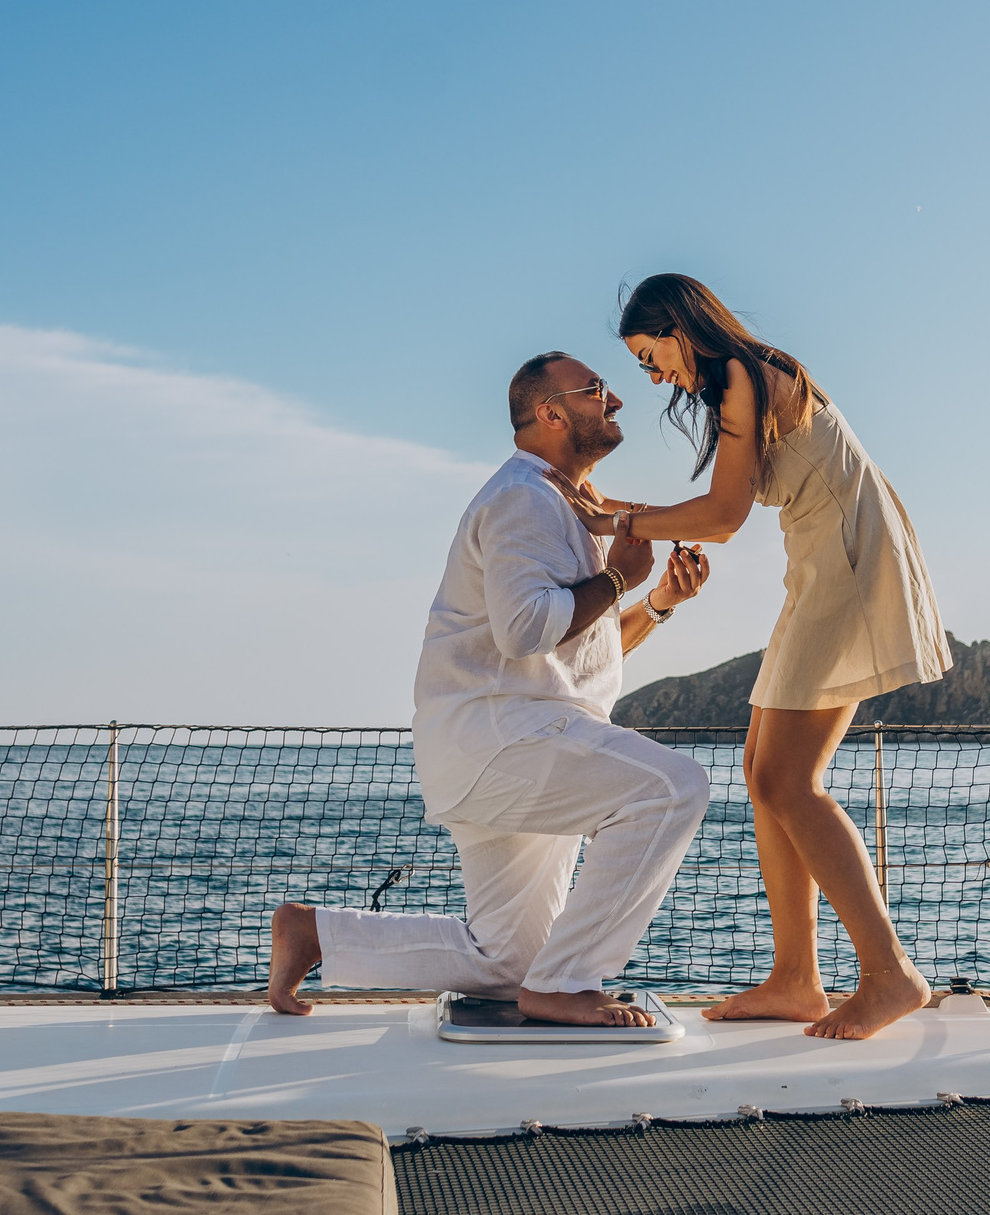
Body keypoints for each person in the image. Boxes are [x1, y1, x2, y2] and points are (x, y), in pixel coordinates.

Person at [549, 274, 949, 1039]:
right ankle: (797, 978)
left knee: (787, 777)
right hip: (824, 563)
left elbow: (724, 516)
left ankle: (890, 972)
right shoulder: (746, 377)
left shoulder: (743, 374)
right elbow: (716, 508)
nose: (653, 376)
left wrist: (611, 519)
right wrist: (611, 512)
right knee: (764, 770)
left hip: (848, 565)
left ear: (679, 328)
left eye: (651, 356)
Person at [267, 351, 714, 1025]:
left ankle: (317, 934)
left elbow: (572, 651)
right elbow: (526, 629)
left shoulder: (565, 504)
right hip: (508, 742)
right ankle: (568, 983)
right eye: (596, 389)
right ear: (551, 413)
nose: (616, 398)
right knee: (672, 788)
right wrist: (619, 578)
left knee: (509, 962)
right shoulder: (524, 498)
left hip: (512, 745)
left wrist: (654, 604)